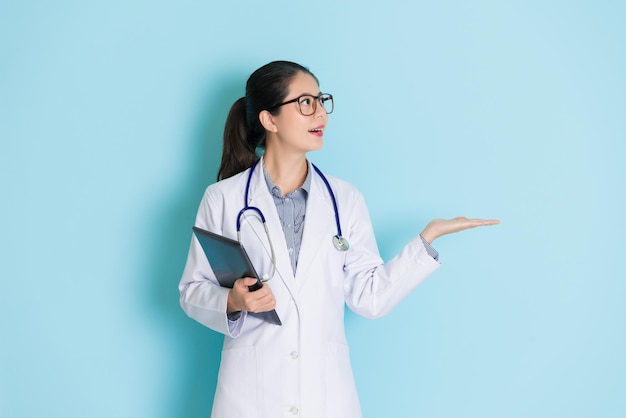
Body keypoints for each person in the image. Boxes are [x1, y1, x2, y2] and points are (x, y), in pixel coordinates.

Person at [179, 60, 499, 418]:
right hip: (251, 396)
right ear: (269, 120)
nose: (320, 115)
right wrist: (234, 300)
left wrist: (427, 239)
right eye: (305, 103)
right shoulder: (223, 199)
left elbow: (370, 297)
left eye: (320, 100)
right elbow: (192, 291)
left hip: (325, 398)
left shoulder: (345, 200)